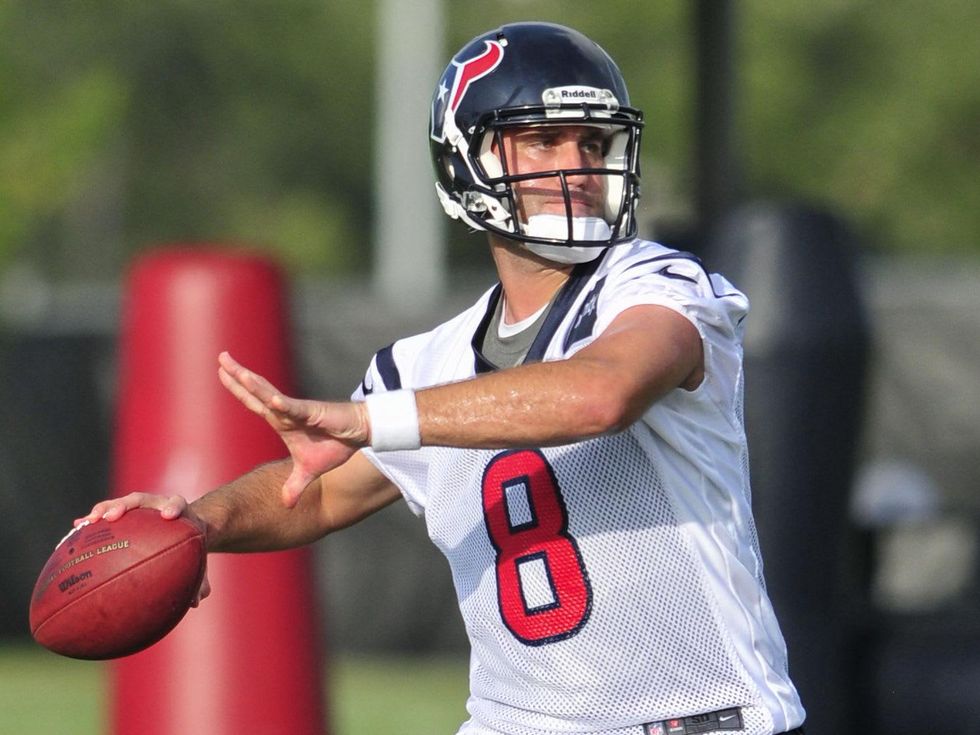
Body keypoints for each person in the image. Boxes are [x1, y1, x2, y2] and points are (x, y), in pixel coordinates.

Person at [80, 21, 806, 735]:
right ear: (470, 160)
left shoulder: (656, 283)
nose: (580, 166)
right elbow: (317, 487)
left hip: (696, 719)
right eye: (544, 140)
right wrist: (201, 523)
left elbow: (600, 393)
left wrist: (371, 420)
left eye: (593, 141)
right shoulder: (424, 364)